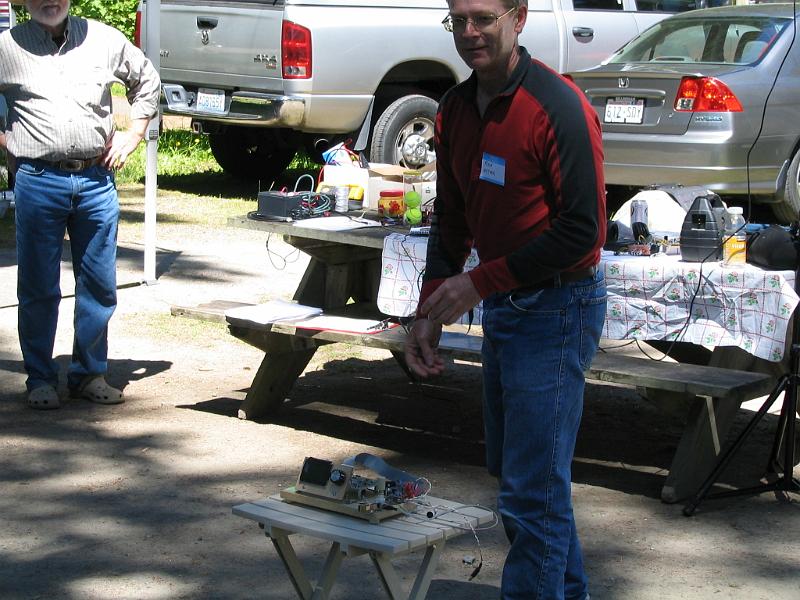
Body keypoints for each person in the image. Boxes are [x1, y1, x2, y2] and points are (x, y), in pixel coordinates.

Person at [403, 1, 607, 598]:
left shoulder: (558, 105)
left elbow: (582, 234)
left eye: (484, 19)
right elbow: (454, 222)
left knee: (530, 493)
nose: (470, 34)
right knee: (526, 483)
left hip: (557, 307)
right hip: (509, 307)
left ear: (518, 18)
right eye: (458, 20)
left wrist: (479, 282)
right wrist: (430, 308)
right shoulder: (456, 109)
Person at [0, 0, 160, 409]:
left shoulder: (103, 39)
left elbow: (147, 81)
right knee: (38, 286)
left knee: (99, 284)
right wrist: (7, 143)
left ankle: (89, 373)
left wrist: (134, 134)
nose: (48, 2)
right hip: (38, 181)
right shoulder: (7, 47)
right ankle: (39, 379)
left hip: (95, 180)